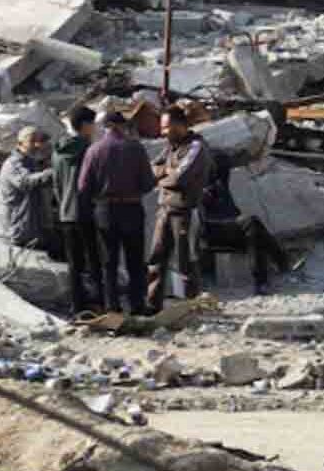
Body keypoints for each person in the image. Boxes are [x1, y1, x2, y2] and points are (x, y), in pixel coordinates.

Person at [77, 111, 156, 314]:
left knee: (109, 263)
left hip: (105, 211)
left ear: (105, 127)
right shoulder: (136, 148)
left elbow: (83, 186)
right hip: (132, 208)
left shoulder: (94, 150)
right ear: (121, 126)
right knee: (135, 261)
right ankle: (137, 305)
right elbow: (148, 183)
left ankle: (113, 308)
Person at [148, 105, 214, 311]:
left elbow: (180, 178)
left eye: (167, 127)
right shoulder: (171, 147)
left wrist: (163, 177)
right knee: (156, 259)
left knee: (186, 263)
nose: (163, 132)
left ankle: (190, 307)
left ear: (180, 125)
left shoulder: (196, 147)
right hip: (165, 209)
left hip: (185, 212)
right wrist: (166, 171)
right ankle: (153, 305)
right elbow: (151, 168)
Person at [199, 151, 291, 295]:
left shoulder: (221, 186)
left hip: (232, 230)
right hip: (215, 232)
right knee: (252, 223)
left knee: (256, 234)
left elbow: (225, 165)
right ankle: (281, 262)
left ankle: (264, 280)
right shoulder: (200, 190)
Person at [54, 107, 100, 316]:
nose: (96, 128)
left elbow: (56, 184)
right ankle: (98, 304)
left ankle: (77, 305)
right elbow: (91, 181)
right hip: (85, 211)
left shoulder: (57, 151)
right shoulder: (87, 150)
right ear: (85, 126)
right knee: (94, 259)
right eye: (93, 124)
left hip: (66, 212)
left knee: (74, 263)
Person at [0, 127, 56, 260]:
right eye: (32, 141)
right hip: (21, 230)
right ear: (20, 144)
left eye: (39, 141)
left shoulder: (32, 162)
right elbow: (25, 182)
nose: (37, 145)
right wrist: (54, 172)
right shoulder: (14, 164)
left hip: (32, 227)